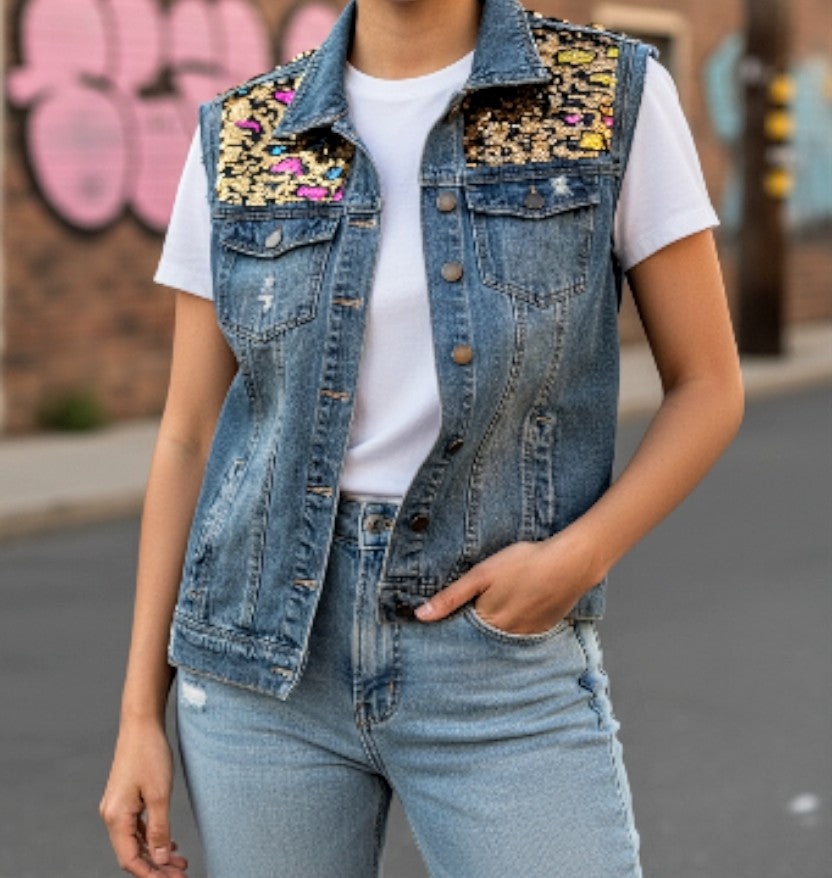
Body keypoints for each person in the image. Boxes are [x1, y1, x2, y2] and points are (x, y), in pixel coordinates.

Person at [99, 0, 744, 875]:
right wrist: (141, 714)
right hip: (260, 673)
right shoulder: (246, 135)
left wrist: (577, 558)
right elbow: (189, 436)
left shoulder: (605, 95)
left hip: (495, 657)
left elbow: (709, 385)